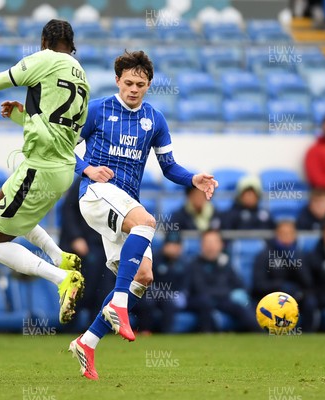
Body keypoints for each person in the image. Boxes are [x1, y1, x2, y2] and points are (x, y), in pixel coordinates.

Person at [68, 50, 218, 380]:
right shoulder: (97, 110)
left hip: (124, 205)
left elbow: (169, 167)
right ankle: (119, 304)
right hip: (95, 196)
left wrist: (192, 178)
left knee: (145, 276)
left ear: (149, 84)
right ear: (117, 80)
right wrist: (88, 168)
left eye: (140, 84)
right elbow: (63, 149)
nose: (133, 89)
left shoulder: (155, 120)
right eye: (128, 82)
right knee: (148, 222)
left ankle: (87, 341)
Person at [0, 18, 87, 325]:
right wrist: (22, 118)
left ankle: (61, 277)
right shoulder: (81, 76)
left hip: (40, 168)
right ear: (71, 44)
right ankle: (58, 254)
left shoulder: (44, 59)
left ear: (43, 42)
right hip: (61, 167)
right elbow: (61, 129)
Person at [59, 176, 114, 323]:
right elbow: (68, 210)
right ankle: (70, 324)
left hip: (105, 243)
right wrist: (76, 237)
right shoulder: (84, 181)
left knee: (104, 287)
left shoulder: (115, 182)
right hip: (86, 243)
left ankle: (97, 326)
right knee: (83, 288)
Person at [186, 230, 259, 333]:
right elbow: (200, 289)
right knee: (205, 303)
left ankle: (263, 333)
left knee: (244, 306)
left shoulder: (225, 264)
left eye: (214, 242)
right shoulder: (194, 265)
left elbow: (239, 284)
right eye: (207, 242)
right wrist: (229, 293)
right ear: (201, 245)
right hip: (204, 301)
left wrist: (238, 293)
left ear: (221, 245)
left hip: (224, 301)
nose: (211, 246)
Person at [251, 220, 317, 332]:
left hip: (295, 297)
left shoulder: (300, 255)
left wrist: (296, 267)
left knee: (310, 302)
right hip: (272, 298)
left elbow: (308, 282)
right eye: (283, 233)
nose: (286, 237)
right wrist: (280, 286)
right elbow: (258, 285)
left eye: (290, 233)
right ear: (277, 235)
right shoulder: (264, 256)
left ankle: (307, 335)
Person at [131, 230, 190, 333]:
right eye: (170, 244)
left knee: (169, 303)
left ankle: (167, 333)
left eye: (176, 245)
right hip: (150, 293)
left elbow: (185, 286)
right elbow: (145, 280)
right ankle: (144, 332)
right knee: (147, 303)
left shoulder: (184, 264)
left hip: (172, 296)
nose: (172, 248)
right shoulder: (154, 260)